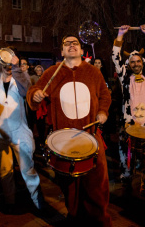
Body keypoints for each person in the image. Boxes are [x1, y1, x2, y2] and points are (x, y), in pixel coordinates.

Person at [27, 35, 112, 226]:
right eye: (67, 44)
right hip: (64, 138)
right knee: (70, 188)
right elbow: (33, 92)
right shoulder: (51, 72)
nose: (72, 46)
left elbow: (105, 96)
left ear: (82, 51)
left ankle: (99, 221)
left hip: (91, 136)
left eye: (76, 43)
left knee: (97, 184)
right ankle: (75, 218)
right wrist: (36, 95)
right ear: (62, 51)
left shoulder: (93, 72)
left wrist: (103, 111)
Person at [0, 50, 45, 211]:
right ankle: (10, 201)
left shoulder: (21, 77)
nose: (8, 65)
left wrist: (16, 68)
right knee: (5, 169)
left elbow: (25, 91)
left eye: (10, 62)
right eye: (5, 62)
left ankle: (38, 202)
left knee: (27, 168)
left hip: (19, 130)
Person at [111, 24, 145, 191]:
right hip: (128, 123)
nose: (135, 64)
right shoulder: (124, 77)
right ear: (129, 64)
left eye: (138, 61)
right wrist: (120, 35)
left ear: (142, 62)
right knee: (125, 153)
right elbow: (115, 57)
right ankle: (126, 178)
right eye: (132, 62)